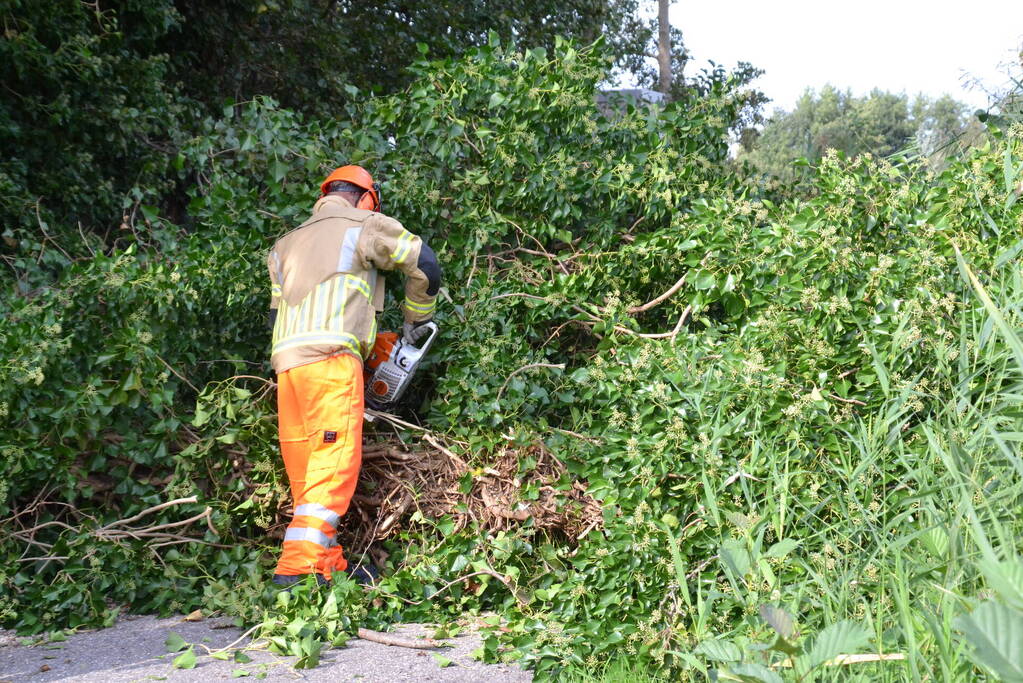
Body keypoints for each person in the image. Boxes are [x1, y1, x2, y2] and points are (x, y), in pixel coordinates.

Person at [266, 164, 441, 586]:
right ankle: (299, 567)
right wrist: (417, 321)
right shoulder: (364, 223)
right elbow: (424, 262)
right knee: (334, 461)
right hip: (331, 359)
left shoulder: (284, 244)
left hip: (288, 367)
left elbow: (273, 315)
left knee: (307, 470)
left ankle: (325, 562)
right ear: (365, 198)